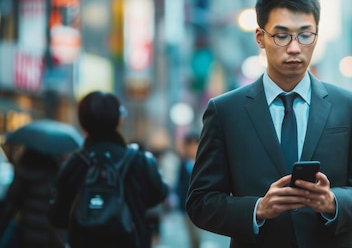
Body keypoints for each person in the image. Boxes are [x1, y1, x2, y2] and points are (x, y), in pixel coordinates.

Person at [186, 0, 352, 248]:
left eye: (305, 34)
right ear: (260, 37)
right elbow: (200, 202)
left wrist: (332, 202)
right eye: (281, 36)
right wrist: (258, 208)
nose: (294, 47)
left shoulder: (349, 106)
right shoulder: (225, 111)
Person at [48, 91, 169, 248]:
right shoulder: (140, 162)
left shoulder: (74, 165)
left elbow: (57, 217)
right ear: (119, 120)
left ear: (82, 122)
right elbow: (159, 194)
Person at [0, 147, 66, 247]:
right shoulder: (54, 173)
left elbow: (12, 198)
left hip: (26, 227)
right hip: (47, 229)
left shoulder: (22, 172)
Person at [175, 133, 202, 248]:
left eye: (194, 145)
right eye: (189, 145)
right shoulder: (183, 163)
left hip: (201, 204)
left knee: (197, 237)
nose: (191, 149)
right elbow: (180, 185)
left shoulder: (202, 163)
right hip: (187, 205)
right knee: (193, 236)